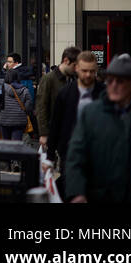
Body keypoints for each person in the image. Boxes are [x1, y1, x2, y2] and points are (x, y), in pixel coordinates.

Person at [65, 53, 131, 203]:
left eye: (120, 81)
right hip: (100, 196)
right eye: (110, 80)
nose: (113, 85)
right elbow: (76, 156)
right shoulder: (91, 113)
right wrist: (77, 192)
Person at [47, 50, 101, 183]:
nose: (88, 75)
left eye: (92, 71)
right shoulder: (66, 94)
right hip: (70, 151)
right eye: (84, 71)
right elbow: (56, 124)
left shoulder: (103, 93)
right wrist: (50, 156)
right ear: (76, 68)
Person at [36, 46, 78, 150]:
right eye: (74, 65)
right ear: (66, 61)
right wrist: (44, 133)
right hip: (53, 130)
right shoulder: (49, 79)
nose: (76, 69)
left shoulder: (74, 79)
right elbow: (41, 107)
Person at [0, 66, 34, 143]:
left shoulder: (2, 89)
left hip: (5, 119)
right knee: (17, 144)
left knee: (6, 143)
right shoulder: (25, 90)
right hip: (19, 120)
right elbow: (29, 106)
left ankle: (7, 155)